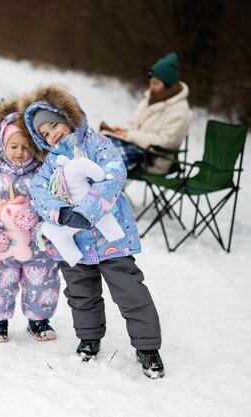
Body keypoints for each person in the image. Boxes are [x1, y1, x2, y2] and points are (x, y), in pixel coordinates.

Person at [23, 83, 165, 379]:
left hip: (111, 239)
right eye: (45, 134)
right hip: (74, 241)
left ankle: (148, 346)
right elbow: (38, 190)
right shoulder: (51, 162)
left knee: (130, 290)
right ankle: (89, 336)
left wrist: (87, 210)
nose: (52, 134)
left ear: (68, 116)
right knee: (80, 291)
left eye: (53, 125)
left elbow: (114, 174)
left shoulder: (98, 144)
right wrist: (59, 212)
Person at [0, 96, 60, 344]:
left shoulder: (43, 173)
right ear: (2, 145)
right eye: (14, 146)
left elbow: (52, 201)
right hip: (1, 246)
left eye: (26, 146)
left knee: (42, 281)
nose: (20, 152)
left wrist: (37, 219)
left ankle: (38, 320)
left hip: (37, 245)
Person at [99, 51, 191, 175]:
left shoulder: (180, 109)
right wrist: (122, 132)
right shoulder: (149, 99)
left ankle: (100, 189)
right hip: (137, 149)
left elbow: (166, 142)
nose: (151, 87)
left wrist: (130, 136)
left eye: (156, 83)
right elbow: (135, 127)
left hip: (154, 158)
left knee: (107, 159)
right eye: (151, 81)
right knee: (99, 143)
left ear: (169, 85)